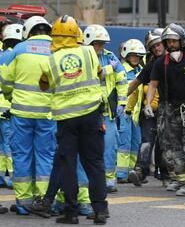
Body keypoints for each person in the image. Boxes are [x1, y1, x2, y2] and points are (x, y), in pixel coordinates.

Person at [37, 15, 107, 224]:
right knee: (94, 163)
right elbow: (100, 73)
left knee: (68, 164)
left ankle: (71, 212)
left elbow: (43, 85)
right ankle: (100, 211)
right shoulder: (89, 52)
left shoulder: (50, 61)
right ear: (76, 33)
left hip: (67, 119)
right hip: (91, 114)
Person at [144, 23, 185, 197]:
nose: (171, 45)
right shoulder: (160, 63)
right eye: (168, 42)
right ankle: (182, 182)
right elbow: (152, 85)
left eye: (174, 41)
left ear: (181, 41)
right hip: (168, 109)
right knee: (173, 149)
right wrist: (148, 104)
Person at [0, 16, 56, 215]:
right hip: (48, 114)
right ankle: (44, 200)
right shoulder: (55, 49)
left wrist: (9, 95)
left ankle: (24, 203)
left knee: (22, 155)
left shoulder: (18, 50)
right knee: (45, 156)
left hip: (21, 112)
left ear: (27, 32)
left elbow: (5, 80)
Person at [83, 24, 128, 193]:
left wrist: (122, 103)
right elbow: (94, 74)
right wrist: (110, 68)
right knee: (88, 147)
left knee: (110, 145)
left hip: (107, 111)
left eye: (103, 43)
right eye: (98, 43)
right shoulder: (84, 57)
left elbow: (122, 81)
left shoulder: (110, 56)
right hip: (89, 110)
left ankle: (109, 179)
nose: (101, 47)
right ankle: (87, 179)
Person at [127, 29, 172, 188]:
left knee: (164, 144)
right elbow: (137, 82)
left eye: (159, 45)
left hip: (169, 110)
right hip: (150, 111)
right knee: (147, 141)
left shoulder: (175, 61)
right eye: (153, 47)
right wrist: (121, 98)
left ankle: (166, 174)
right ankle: (140, 171)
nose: (156, 49)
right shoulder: (152, 63)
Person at [116, 39, 146, 183]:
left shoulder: (141, 72)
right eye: (133, 55)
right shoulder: (121, 70)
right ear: (126, 55)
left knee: (136, 143)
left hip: (135, 116)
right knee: (124, 144)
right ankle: (121, 174)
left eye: (138, 56)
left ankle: (131, 172)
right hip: (123, 114)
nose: (136, 58)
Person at [0, 24, 22, 190]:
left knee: (1, 146)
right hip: (9, 108)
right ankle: (14, 176)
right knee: (10, 145)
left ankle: (1, 175)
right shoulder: (16, 57)